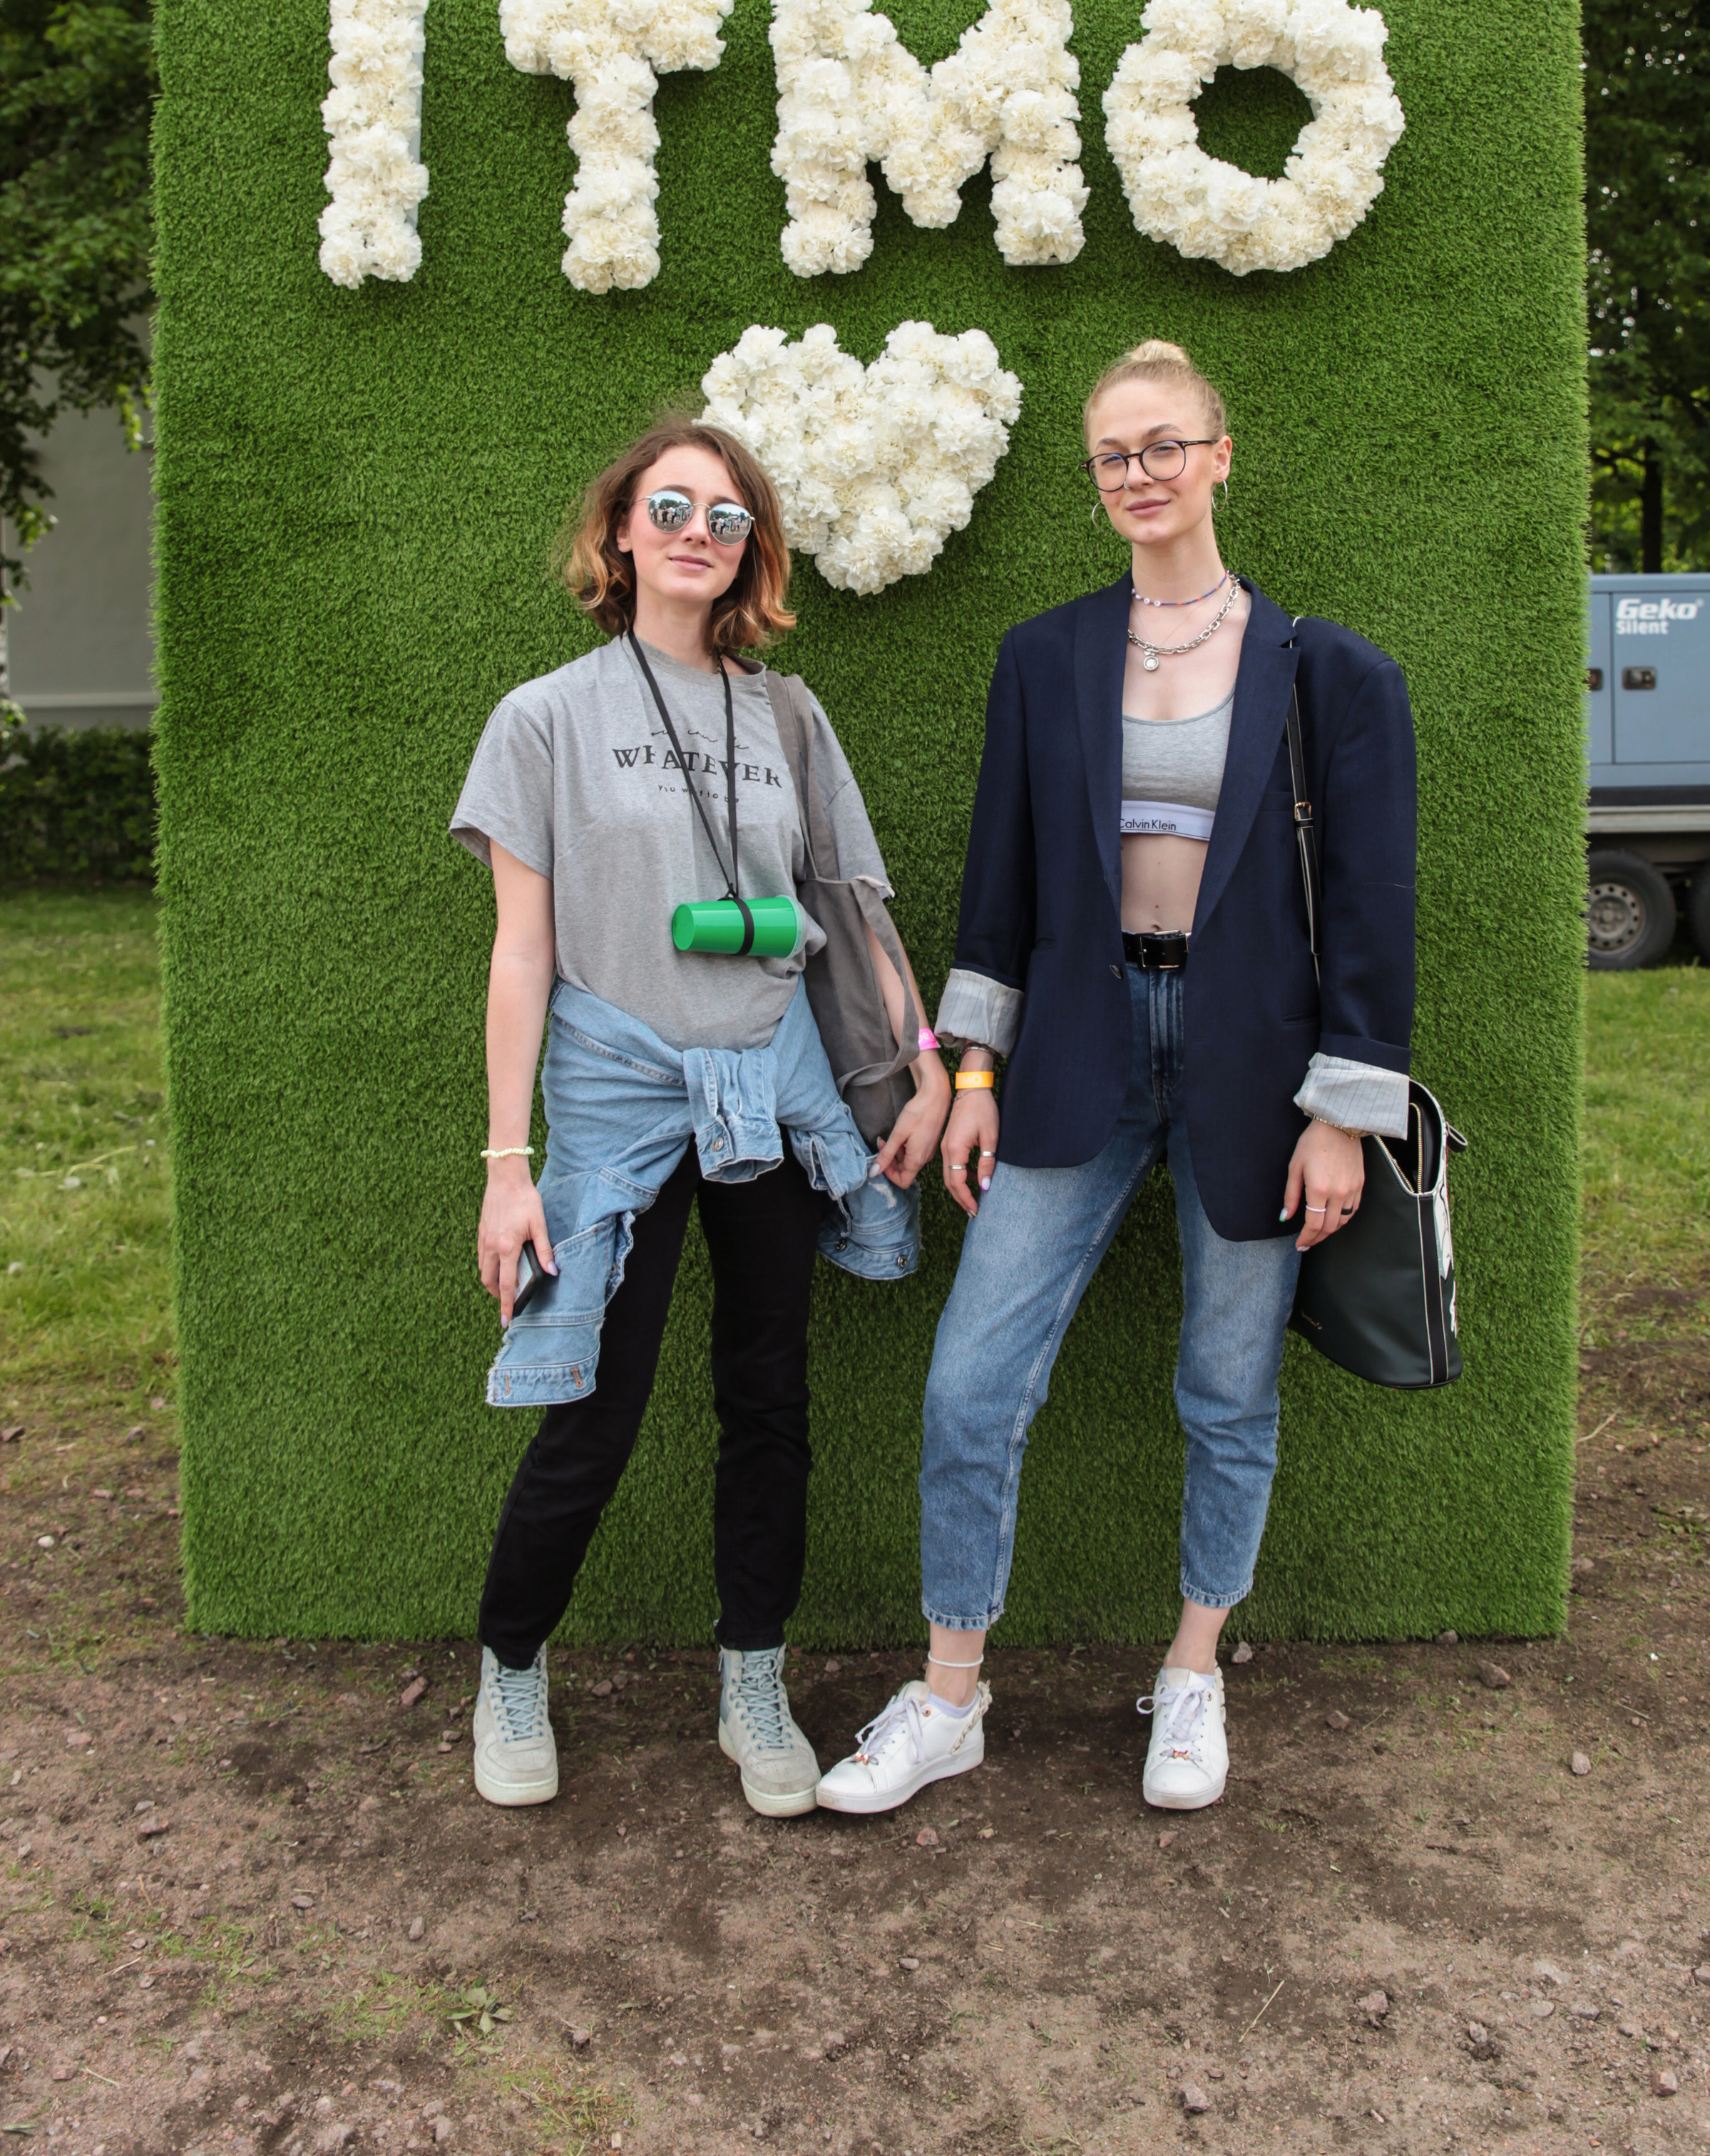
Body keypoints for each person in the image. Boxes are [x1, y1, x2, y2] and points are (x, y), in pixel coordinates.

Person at [818, 338, 1416, 1820]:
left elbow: (1369, 909)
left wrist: (1344, 1112)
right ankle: (948, 1698)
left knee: (1225, 1392)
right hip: (1076, 1064)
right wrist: (966, 1070)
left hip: (1257, 1081)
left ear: (1220, 454)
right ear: (1092, 481)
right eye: (1110, 455)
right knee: (968, 1388)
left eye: (1162, 445)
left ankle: (1193, 1672)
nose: (1137, 473)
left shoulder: (1326, 674)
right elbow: (998, 893)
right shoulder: (1044, 660)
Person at [451, 416, 951, 1819]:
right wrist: (507, 1166)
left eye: (724, 518)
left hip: (772, 1093)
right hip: (615, 1104)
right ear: (619, 530)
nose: (694, 531)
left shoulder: (787, 714)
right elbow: (521, 955)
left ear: (749, 552)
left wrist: (917, 1063)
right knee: (591, 1411)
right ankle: (508, 1666)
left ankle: (752, 1675)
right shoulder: (543, 719)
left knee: (767, 1394)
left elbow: (852, 906)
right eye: (668, 506)